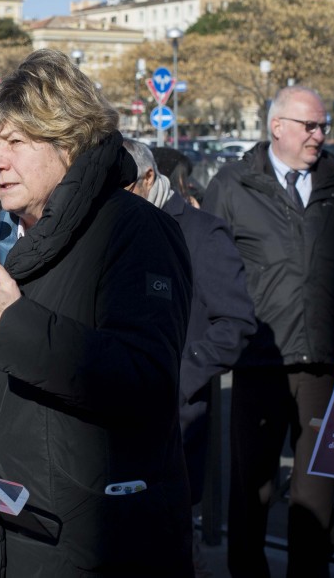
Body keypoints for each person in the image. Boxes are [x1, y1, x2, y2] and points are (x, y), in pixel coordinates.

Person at [0, 49, 194, 576]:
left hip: (90, 540)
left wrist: (10, 323)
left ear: (68, 141)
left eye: (16, 142)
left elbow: (145, 378)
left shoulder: (135, 231)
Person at [201, 85, 334, 578]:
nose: (320, 135)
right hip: (258, 360)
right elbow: (210, 270)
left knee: (316, 487)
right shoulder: (232, 185)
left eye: (323, 127)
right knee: (254, 485)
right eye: (309, 126)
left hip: (322, 360)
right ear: (278, 128)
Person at [124, 139, 257, 577]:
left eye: (122, 188)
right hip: (121, 417)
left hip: (175, 421)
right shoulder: (119, 225)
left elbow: (235, 324)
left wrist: (177, 375)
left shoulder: (201, 232)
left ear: (148, 179)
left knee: (175, 546)